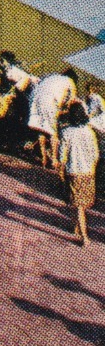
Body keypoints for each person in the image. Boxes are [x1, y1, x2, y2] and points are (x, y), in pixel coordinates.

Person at [58, 100, 98, 245]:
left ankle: (84, 237)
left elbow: (62, 156)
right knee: (81, 204)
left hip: (74, 172)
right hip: (88, 172)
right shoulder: (90, 132)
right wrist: (92, 169)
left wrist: (60, 171)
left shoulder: (66, 132)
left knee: (77, 204)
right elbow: (95, 154)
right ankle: (75, 227)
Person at [28, 69, 78, 169]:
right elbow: (72, 101)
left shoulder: (53, 76)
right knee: (53, 132)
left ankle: (43, 158)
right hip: (48, 102)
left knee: (40, 128)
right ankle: (54, 160)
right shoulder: (70, 82)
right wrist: (65, 110)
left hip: (34, 99)